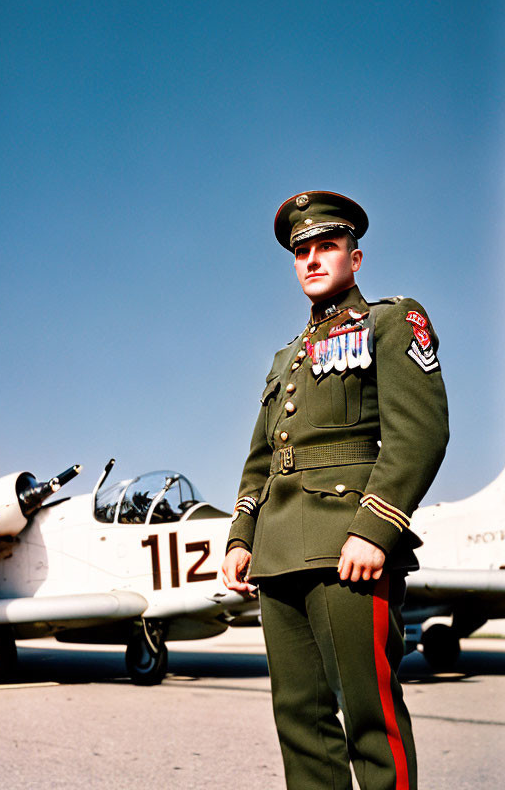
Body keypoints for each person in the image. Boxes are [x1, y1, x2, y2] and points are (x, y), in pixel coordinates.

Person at [222, 191, 448, 790]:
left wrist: (376, 528)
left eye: (328, 246)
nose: (313, 259)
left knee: (370, 721)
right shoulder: (285, 359)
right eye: (303, 251)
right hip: (278, 556)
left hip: (350, 550)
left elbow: (419, 434)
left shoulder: (391, 322)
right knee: (301, 725)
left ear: (356, 256)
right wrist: (241, 536)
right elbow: (261, 459)